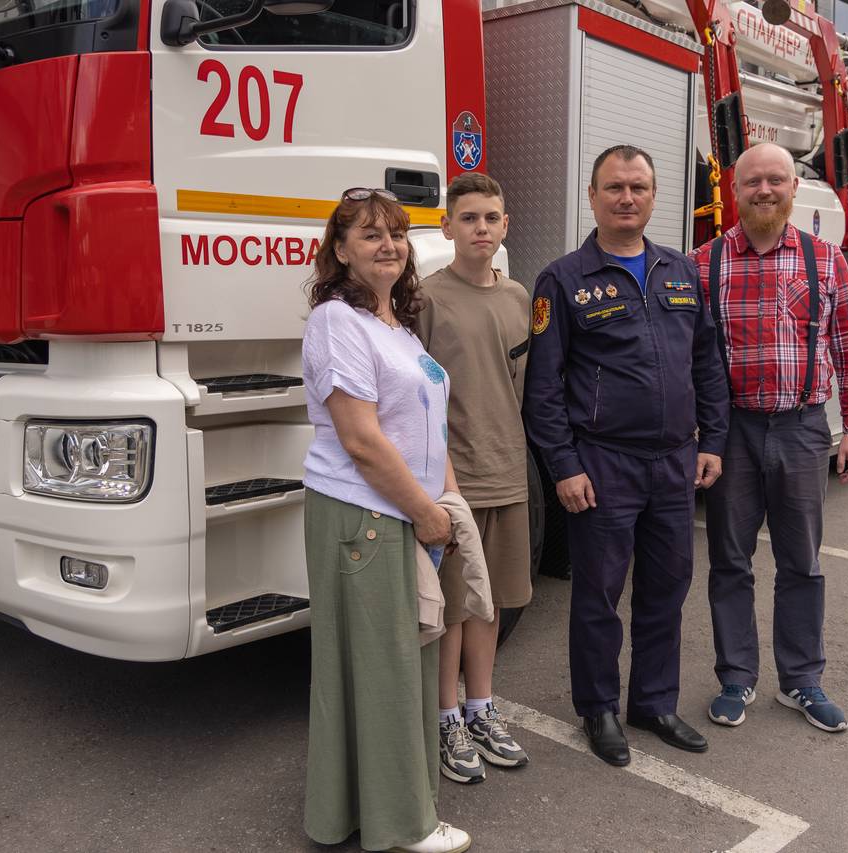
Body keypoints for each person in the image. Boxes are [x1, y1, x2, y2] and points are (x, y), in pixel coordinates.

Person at [523, 145, 731, 767]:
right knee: (598, 595)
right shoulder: (563, 280)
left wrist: (713, 441)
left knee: (668, 588)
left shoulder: (680, 273)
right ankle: (599, 710)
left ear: (653, 195)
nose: (627, 198)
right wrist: (564, 465)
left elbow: (707, 365)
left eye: (638, 187)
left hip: (673, 462)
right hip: (603, 464)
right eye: (614, 187)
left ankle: (654, 702)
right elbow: (543, 390)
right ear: (593, 196)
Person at [301, 188, 471, 853]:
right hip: (365, 513)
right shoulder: (337, 322)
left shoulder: (393, 326)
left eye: (396, 233)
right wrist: (428, 513)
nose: (388, 245)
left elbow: (424, 429)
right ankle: (405, 824)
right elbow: (362, 440)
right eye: (369, 234)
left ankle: (353, 810)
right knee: (387, 670)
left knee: (383, 667)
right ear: (339, 251)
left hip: (400, 511)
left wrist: (446, 506)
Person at [693, 142, 848, 734]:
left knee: (802, 562)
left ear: (794, 189)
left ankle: (801, 681)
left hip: (800, 429)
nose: (764, 191)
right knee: (730, 562)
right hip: (733, 431)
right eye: (752, 183)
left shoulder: (826, 260)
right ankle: (736, 678)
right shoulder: (704, 263)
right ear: (732, 191)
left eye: (776, 180)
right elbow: (688, 357)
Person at [418, 173, 532, 785]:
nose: (480, 229)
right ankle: (444, 718)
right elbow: (417, 400)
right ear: (447, 226)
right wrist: (444, 480)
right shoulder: (427, 299)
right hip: (454, 482)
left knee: (490, 606)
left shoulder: (517, 297)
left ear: (505, 226)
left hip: (508, 472)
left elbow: (516, 387)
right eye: (469, 218)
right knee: (453, 610)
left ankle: (481, 706)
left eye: (491, 218)